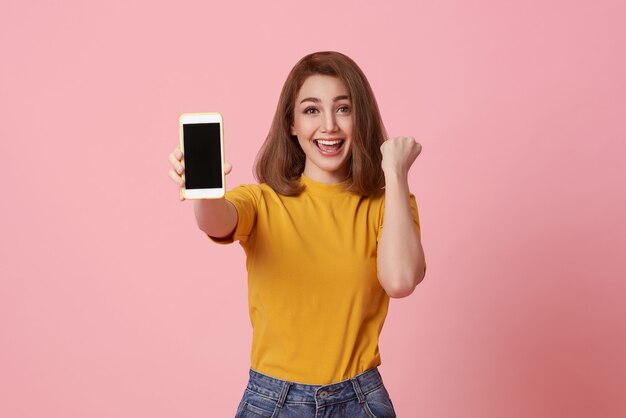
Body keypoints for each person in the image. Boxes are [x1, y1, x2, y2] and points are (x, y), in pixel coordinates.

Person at [168, 51, 426, 418]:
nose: (329, 126)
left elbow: (400, 280)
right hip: (274, 401)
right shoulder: (262, 200)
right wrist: (206, 192)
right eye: (311, 110)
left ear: (360, 118)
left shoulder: (389, 205)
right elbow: (216, 221)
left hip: (360, 400)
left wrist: (396, 174)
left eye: (343, 108)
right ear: (291, 123)